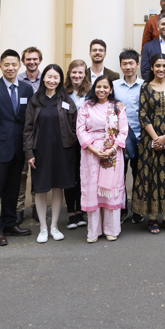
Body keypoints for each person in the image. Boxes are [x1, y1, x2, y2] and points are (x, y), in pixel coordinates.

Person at [0, 49, 35, 246]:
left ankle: (10, 223)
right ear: (0, 66)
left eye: (14, 64)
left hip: (18, 148)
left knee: (13, 188)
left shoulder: (27, 89)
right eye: (7, 65)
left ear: (19, 65)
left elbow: (28, 121)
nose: (10, 68)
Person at [22, 64, 77, 244]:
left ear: (60, 80)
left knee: (58, 187)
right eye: (49, 76)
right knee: (40, 188)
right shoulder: (35, 101)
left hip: (63, 150)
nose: (52, 80)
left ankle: (54, 226)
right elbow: (28, 129)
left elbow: (75, 125)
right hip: (41, 151)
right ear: (43, 78)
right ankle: (43, 228)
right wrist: (29, 152)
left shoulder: (67, 100)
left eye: (56, 77)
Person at [132, 54, 165, 233]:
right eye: (157, 66)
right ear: (152, 68)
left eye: (164, 66)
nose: (161, 69)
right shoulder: (145, 87)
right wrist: (156, 138)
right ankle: (153, 218)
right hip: (150, 138)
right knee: (152, 176)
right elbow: (142, 114)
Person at [77, 75, 129, 242]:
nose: (102, 90)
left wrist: (112, 149)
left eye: (105, 87)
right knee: (93, 190)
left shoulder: (118, 107)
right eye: (99, 86)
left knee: (111, 190)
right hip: (90, 152)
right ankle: (93, 231)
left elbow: (123, 131)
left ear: (111, 89)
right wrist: (94, 149)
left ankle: (111, 229)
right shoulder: (86, 106)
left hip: (112, 153)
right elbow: (80, 129)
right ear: (94, 88)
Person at [113, 50, 143, 224]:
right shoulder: (114, 86)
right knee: (119, 177)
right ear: (121, 65)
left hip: (141, 138)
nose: (128, 67)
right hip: (120, 141)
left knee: (139, 176)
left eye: (131, 63)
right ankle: (122, 209)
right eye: (125, 63)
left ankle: (138, 210)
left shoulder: (145, 85)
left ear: (137, 64)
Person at [63, 60, 91, 229]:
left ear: (85, 74)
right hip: (68, 140)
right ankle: (71, 212)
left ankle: (81, 211)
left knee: (82, 177)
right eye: (74, 72)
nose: (77, 76)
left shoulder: (90, 92)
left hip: (86, 141)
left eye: (80, 73)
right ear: (69, 73)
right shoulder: (63, 91)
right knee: (69, 177)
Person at [17, 46, 43, 223]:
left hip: (41, 133)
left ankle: (37, 206)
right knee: (21, 173)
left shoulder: (47, 78)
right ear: (23, 61)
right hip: (21, 131)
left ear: (40, 60)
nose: (32, 62)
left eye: (35, 59)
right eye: (28, 59)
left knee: (38, 172)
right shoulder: (17, 80)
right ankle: (18, 208)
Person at [141, 13, 165, 82]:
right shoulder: (148, 46)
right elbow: (145, 70)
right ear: (158, 27)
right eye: (163, 24)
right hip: (154, 88)